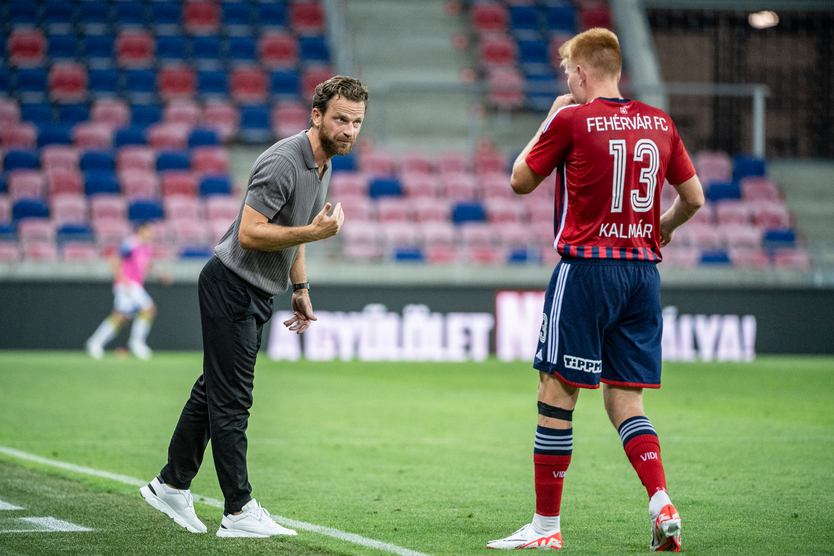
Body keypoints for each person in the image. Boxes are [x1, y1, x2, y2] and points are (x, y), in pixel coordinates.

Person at [487, 28, 704, 552]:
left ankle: (545, 528)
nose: (567, 82)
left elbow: (519, 180)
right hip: (642, 276)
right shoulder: (660, 122)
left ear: (582, 72)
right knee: (626, 399)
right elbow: (694, 198)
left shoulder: (572, 119)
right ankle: (661, 502)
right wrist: (665, 226)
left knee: (555, 394)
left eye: (568, 73)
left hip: (587, 271)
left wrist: (550, 115)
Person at [139, 75, 369, 537]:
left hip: (256, 290)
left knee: (214, 390)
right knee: (232, 400)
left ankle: (171, 484)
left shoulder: (323, 165)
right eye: (341, 119)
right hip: (231, 285)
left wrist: (299, 286)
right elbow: (250, 233)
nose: (349, 130)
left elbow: (295, 228)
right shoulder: (284, 161)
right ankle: (238, 510)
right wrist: (313, 234)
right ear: (316, 115)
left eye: (357, 122)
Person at [86, 220, 159, 360]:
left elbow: (146, 267)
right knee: (149, 308)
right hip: (128, 285)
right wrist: (120, 278)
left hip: (135, 285)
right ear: (141, 231)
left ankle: (95, 342)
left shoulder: (147, 248)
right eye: (149, 231)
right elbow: (115, 258)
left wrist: (160, 275)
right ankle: (136, 343)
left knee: (121, 317)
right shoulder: (131, 243)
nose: (151, 234)